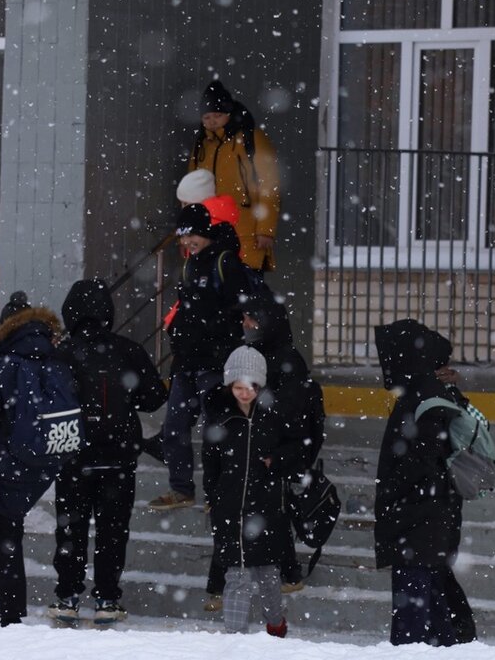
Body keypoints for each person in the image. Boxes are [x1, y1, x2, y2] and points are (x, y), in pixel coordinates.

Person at [48, 278, 168, 624]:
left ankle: (68, 595)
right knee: (112, 530)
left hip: (73, 457)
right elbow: (153, 398)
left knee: (71, 528)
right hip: (118, 458)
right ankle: (106, 598)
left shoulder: (62, 354)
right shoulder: (128, 351)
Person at [203, 294, 326, 610]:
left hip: (270, 457)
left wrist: (280, 456)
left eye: (252, 320)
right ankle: (229, 584)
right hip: (245, 453)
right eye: (244, 319)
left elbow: (297, 418)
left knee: (269, 520)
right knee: (236, 519)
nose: (245, 325)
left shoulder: (287, 361)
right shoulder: (247, 356)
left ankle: (269, 580)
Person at [0, 291, 74, 627]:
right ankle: (73, 594)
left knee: (8, 535)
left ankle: (12, 615)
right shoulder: (59, 362)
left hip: (10, 464)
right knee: (70, 530)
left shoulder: (1, 368)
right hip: (53, 460)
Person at [374, 319, 476, 646]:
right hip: (428, 518)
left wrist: (394, 494)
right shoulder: (434, 393)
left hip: (418, 518)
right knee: (433, 612)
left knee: (412, 625)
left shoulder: (424, 398)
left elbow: (422, 462)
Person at [148, 203, 256, 510]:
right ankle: (181, 488)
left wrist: (221, 333)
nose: (185, 242)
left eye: (190, 235)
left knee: (215, 431)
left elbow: (238, 308)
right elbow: (185, 310)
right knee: (174, 426)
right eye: (182, 237)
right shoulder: (190, 265)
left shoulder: (224, 262)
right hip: (186, 362)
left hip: (215, 363)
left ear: (205, 232)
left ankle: (217, 491)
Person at [202, 346, 289, 637]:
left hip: (265, 506)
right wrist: (212, 496)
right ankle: (234, 636)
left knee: (267, 573)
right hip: (229, 506)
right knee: (236, 574)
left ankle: (276, 624)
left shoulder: (273, 415)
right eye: (238, 387)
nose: (244, 393)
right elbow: (210, 461)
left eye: (250, 387)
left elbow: (294, 448)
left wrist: (276, 462)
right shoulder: (220, 417)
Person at [188, 80, 280, 272]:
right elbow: (190, 193)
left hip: (246, 235)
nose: (212, 122)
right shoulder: (202, 146)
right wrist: (189, 235)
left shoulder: (251, 139)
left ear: (229, 114)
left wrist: (265, 230)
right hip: (209, 235)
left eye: (218, 116)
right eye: (207, 117)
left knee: (242, 288)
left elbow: (269, 186)